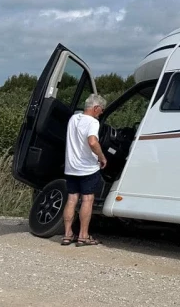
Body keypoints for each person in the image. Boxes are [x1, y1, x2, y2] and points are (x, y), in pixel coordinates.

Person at [61, 94, 108, 246]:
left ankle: (67, 235)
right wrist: (101, 157)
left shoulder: (74, 119)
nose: (101, 113)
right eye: (101, 110)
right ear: (96, 108)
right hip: (87, 168)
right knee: (87, 199)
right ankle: (83, 235)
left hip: (71, 167)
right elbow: (92, 142)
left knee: (72, 199)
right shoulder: (93, 122)